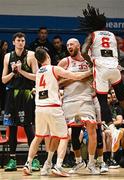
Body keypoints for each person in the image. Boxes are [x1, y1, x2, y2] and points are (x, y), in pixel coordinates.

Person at [80, 4, 124, 150]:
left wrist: (92, 62)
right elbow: (115, 53)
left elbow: (83, 51)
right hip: (115, 68)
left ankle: (113, 131)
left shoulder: (93, 35)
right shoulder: (113, 36)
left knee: (102, 100)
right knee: (122, 100)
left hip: (101, 69)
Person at [23, 47, 92, 176]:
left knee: (38, 137)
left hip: (39, 108)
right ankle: (58, 166)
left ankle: (29, 163)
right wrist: (92, 71)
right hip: (53, 107)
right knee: (64, 137)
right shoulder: (54, 68)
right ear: (48, 56)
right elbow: (77, 76)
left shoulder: (38, 72)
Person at [57, 38, 100, 175]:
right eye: (67, 44)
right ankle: (79, 161)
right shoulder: (64, 62)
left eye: (72, 44)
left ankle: (92, 163)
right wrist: (78, 77)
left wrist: (83, 77)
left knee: (92, 130)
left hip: (87, 99)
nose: (69, 46)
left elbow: (95, 76)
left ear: (78, 45)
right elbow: (57, 83)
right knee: (74, 134)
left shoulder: (89, 61)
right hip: (70, 101)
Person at [2, 32, 40, 171]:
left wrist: (21, 70)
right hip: (11, 95)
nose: (20, 42)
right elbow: (3, 79)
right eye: (18, 40)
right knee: (11, 128)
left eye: (23, 40)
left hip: (26, 94)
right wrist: (13, 72)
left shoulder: (31, 55)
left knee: (28, 127)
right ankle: (12, 160)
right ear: (13, 42)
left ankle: (34, 160)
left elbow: (36, 77)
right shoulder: (7, 56)